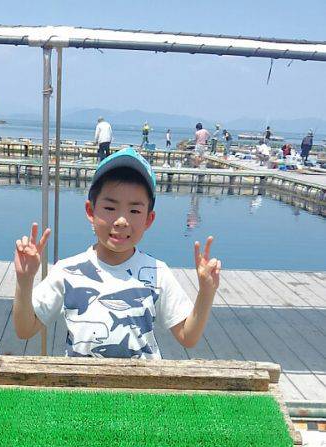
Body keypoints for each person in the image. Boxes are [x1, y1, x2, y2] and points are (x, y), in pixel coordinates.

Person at [13, 147, 221, 360]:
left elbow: (188, 337)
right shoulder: (66, 271)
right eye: (110, 208)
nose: (122, 221)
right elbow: (25, 330)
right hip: (80, 388)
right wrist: (25, 280)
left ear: (148, 219)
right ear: (91, 212)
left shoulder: (157, 272)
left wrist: (206, 292)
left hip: (141, 388)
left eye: (134, 211)